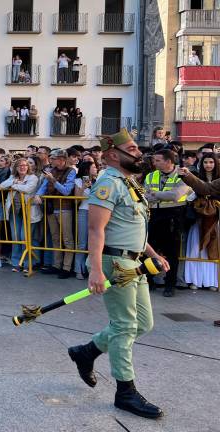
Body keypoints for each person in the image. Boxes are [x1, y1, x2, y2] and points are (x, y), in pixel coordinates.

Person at [68, 128, 168, 419]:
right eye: (133, 149)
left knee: (143, 323)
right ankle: (125, 392)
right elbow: (95, 229)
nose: (139, 153)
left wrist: (153, 254)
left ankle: (87, 351)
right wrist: (96, 269)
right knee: (124, 326)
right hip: (116, 263)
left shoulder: (129, 182)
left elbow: (132, 228)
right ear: (113, 154)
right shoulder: (108, 183)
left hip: (136, 263)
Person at [143, 149, 191, 297]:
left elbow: (176, 195)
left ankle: (170, 285)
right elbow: (145, 195)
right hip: (154, 215)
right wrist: (162, 196)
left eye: (158, 160)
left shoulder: (183, 174)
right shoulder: (151, 175)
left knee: (172, 253)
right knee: (150, 250)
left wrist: (155, 194)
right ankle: (149, 281)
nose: (154, 163)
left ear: (168, 161)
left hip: (174, 216)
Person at [35, 149, 77, 278]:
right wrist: (38, 194)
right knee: (55, 237)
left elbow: (66, 191)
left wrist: (53, 180)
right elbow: (44, 186)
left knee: (67, 239)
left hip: (64, 208)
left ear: (62, 159)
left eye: (53, 158)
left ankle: (67, 267)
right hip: (51, 208)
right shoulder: (51, 170)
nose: (51, 160)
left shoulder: (71, 171)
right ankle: (57, 265)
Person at [182, 154, 220, 291]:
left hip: (215, 219)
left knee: (213, 248)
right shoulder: (197, 176)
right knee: (196, 248)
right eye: (205, 162)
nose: (208, 165)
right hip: (198, 218)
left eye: (211, 162)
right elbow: (193, 193)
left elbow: (206, 188)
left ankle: (213, 281)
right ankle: (195, 280)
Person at [1, 158, 39, 272]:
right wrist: (15, 182)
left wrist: (13, 186)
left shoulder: (33, 177)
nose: (22, 167)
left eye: (25, 165)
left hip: (28, 211)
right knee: (16, 237)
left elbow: (28, 189)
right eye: (19, 166)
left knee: (25, 237)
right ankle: (16, 262)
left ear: (28, 167)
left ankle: (28, 263)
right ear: (16, 168)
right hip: (14, 211)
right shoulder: (13, 177)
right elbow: (2, 185)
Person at [74, 160, 99, 280]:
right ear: (87, 169)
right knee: (82, 242)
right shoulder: (78, 181)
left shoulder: (99, 180)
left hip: (97, 213)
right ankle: (78, 269)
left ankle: (91, 270)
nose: (96, 169)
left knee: (94, 243)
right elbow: (76, 199)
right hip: (84, 211)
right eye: (94, 167)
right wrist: (84, 186)